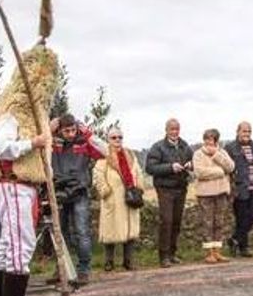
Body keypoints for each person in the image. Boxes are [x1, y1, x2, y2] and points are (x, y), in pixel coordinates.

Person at [0, 0, 61, 296]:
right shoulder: (11, 113)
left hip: (22, 186)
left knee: (7, 242)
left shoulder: (32, 116)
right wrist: (33, 143)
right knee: (19, 240)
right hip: (12, 183)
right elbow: (1, 148)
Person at [50, 113, 106, 285]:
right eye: (67, 131)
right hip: (58, 190)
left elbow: (105, 151)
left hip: (80, 191)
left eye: (73, 130)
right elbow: (35, 146)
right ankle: (63, 269)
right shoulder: (52, 143)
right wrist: (47, 129)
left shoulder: (83, 142)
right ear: (60, 130)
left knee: (82, 231)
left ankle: (84, 270)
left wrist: (88, 134)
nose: (71, 134)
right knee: (60, 233)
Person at [145, 119, 193, 267]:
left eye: (177, 129)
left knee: (177, 221)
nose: (175, 132)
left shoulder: (185, 146)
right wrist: (171, 167)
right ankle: (163, 256)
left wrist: (191, 165)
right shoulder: (158, 147)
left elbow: (194, 161)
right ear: (166, 130)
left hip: (181, 187)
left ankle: (172, 253)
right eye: (172, 129)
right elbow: (150, 168)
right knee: (167, 221)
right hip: (165, 188)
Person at [93, 128, 144, 271]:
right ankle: (109, 261)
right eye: (114, 137)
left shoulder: (130, 156)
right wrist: (105, 191)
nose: (117, 140)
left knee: (130, 230)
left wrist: (139, 188)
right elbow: (98, 177)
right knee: (111, 231)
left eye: (120, 137)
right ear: (108, 140)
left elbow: (138, 172)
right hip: (113, 199)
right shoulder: (103, 158)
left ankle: (129, 261)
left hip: (130, 198)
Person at [192, 128, 234, 264]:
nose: (209, 142)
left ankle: (217, 251)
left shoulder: (222, 153)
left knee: (219, 222)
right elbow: (199, 172)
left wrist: (216, 155)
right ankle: (209, 252)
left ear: (216, 140)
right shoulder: (198, 154)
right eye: (207, 139)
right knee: (207, 223)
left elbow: (231, 167)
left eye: (212, 139)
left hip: (221, 192)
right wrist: (219, 172)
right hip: (205, 193)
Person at [227, 121, 253, 258]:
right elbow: (227, 168)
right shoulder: (231, 147)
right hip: (239, 188)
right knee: (241, 218)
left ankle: (235, 239)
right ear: (238, 132)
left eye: (249, 131)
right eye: (244, 131)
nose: (247, 134)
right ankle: (243, 248)